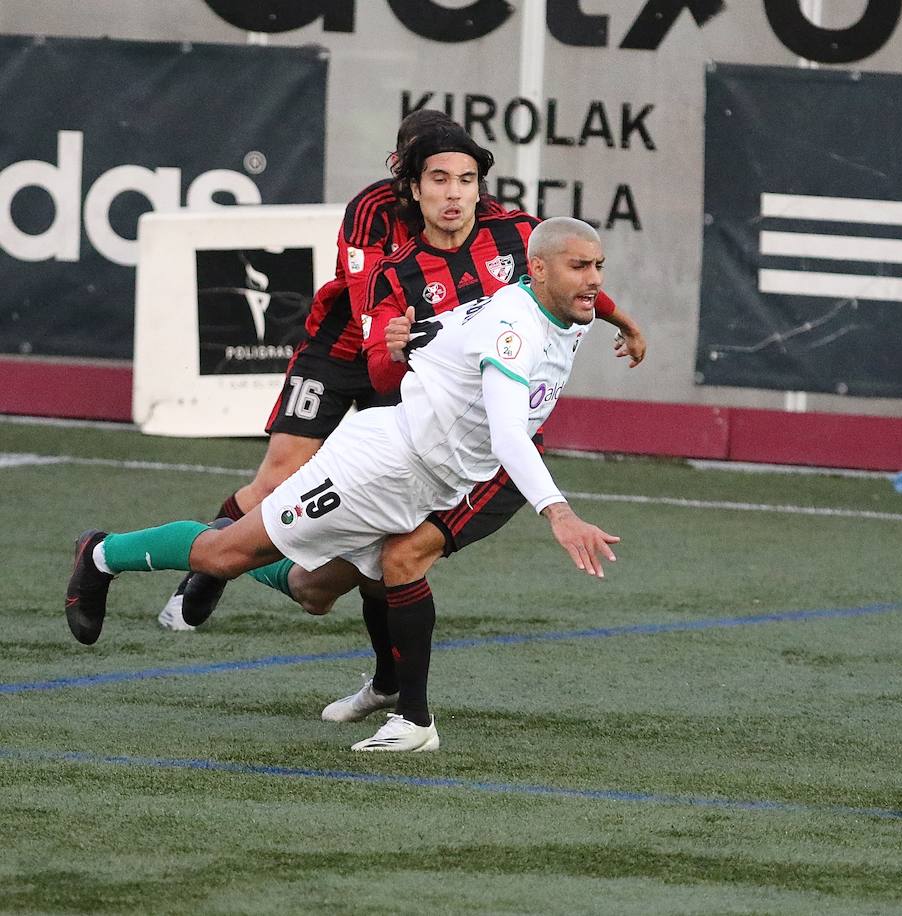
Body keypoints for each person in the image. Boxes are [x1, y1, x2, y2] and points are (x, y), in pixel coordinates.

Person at [66, 216, 619, 755]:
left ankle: (397, 697)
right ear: (538, 269)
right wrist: (559, 513)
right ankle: (102, 554)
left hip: (429, 483)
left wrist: (630, 328)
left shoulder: (567, 312)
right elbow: (507, 435)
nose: (594, 278)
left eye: (598, 265)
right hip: (378, 469)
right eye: (579, 266)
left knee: (316, 590)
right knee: (224, 554)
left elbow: (448, 328)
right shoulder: (514, 327)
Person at [159, 111, 647, 630]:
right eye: (435, 176)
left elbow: (551, 272)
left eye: (462, 178)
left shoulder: (496, 222)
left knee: (363, 558)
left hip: (421, 357)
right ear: (408, 177)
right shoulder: (371, 212)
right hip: (352, 342)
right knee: (276, 480)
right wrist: (394, 344)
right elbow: (372, 299)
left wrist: (622, 320)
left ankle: (388, 678)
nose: (452, 191)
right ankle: (210, 566)